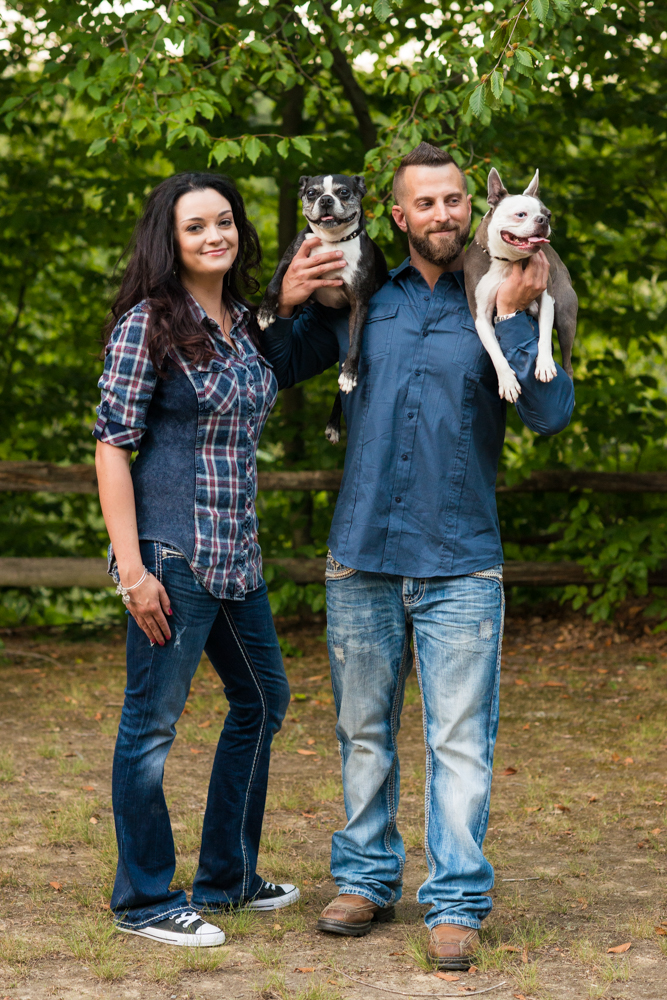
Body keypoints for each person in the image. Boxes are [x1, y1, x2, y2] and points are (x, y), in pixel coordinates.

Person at [261, 143, 575, 969]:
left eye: (454, 200)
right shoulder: (359, 299)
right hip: (360, 552)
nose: (444, 214)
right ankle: (365, 879)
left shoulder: (509, 287)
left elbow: (548, 414)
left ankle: (456, 900)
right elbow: (269, 370)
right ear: (395, 217)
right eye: (424, 203)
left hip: (461, 559)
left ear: (473, 207)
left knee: (459, 741)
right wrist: (285, 300)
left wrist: (513, 319)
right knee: (363, 730)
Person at [94, 172, 297, 948]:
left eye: (224, 222)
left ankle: (227, 877)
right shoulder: (147, 323)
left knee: (262, 702)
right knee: (149, 730)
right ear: (168, 241)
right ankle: (146, 900)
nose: (214, 235)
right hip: (171, 556)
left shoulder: (244, 321)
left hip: (235, 555)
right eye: (195, 227)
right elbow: (113, 447)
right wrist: (132, 572)